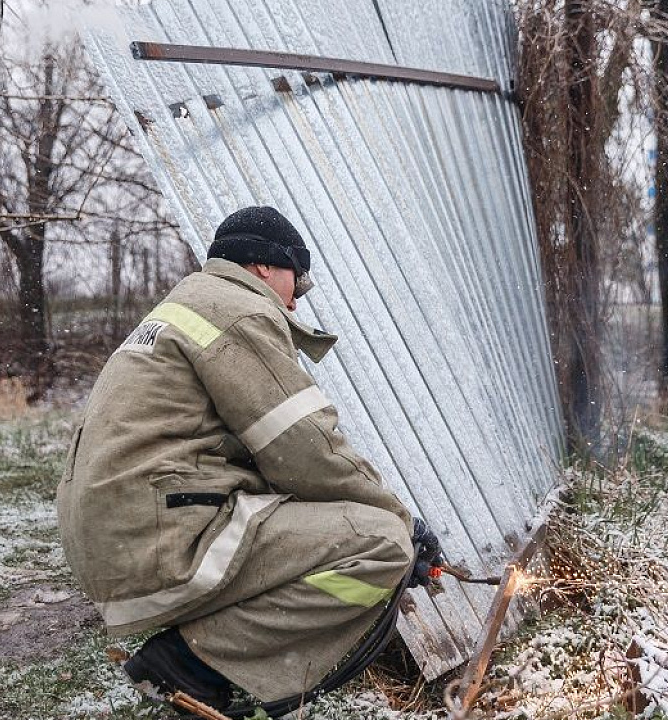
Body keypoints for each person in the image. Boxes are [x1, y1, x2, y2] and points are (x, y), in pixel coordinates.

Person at [56, 206, 443, 711]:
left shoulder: (187, 306)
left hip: (120, 536)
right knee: (382, 545)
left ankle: (206, 656)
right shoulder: (238, 312)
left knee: (322, 527)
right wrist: (403, 521)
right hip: (159, 538)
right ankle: (193, 663)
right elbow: (306, 450)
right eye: (297, 284)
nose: (297, 304)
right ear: (264, 266)